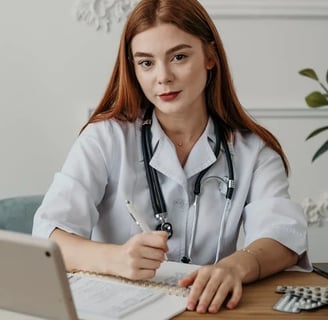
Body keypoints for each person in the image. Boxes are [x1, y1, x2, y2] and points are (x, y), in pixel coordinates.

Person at [32, 0, 311, 314]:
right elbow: (49, 234)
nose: (163, 77)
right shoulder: (106, 138)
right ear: (133, 68)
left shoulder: (253, 150)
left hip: (208, 310)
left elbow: (284, 235)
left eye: (179, 57)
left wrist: (235, 267)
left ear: (209, 56)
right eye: (146, 63)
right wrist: (116, 258)